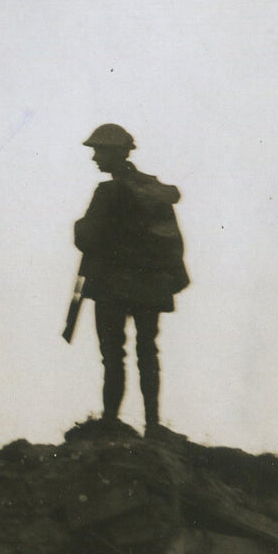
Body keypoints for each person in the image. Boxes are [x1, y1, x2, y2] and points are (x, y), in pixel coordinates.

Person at [73, 123, 189, 439]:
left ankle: (111, 420)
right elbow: (172, 239)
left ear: (113, 153)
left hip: (112, 285)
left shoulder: (107, 192)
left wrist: (80, 226)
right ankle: (152, 424)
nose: (95, 157)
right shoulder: (154, 191)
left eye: (98, 150)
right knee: (147, 352)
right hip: (150, 287)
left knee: (113, 354)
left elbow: (87, 237)